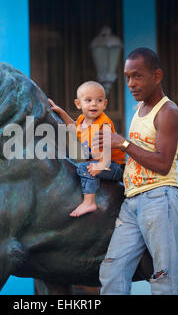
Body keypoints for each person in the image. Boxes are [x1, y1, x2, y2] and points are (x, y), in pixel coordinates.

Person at [95, 48, 178, 295]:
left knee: (163, 277)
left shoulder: (168, 112)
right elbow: (138, 156)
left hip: (160, 200)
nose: (131, 84)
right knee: (112, 270)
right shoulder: (139, 109)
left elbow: (162, 163)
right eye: (127, 77)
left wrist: (122, 143)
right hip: (132, 201)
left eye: (137, 76)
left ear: (157, 76)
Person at [48, 81, 125, 217]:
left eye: (99, 100)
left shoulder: (104, 123)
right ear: (78, 104)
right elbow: (73, 126)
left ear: (105, 104)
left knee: (84, 167)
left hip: (113, 166)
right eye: (88, 100)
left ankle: (89, 202)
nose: (94, 104)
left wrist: (100, 166)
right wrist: (61, 112)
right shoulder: (82, 120)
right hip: (97, 160)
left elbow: (107, 149)